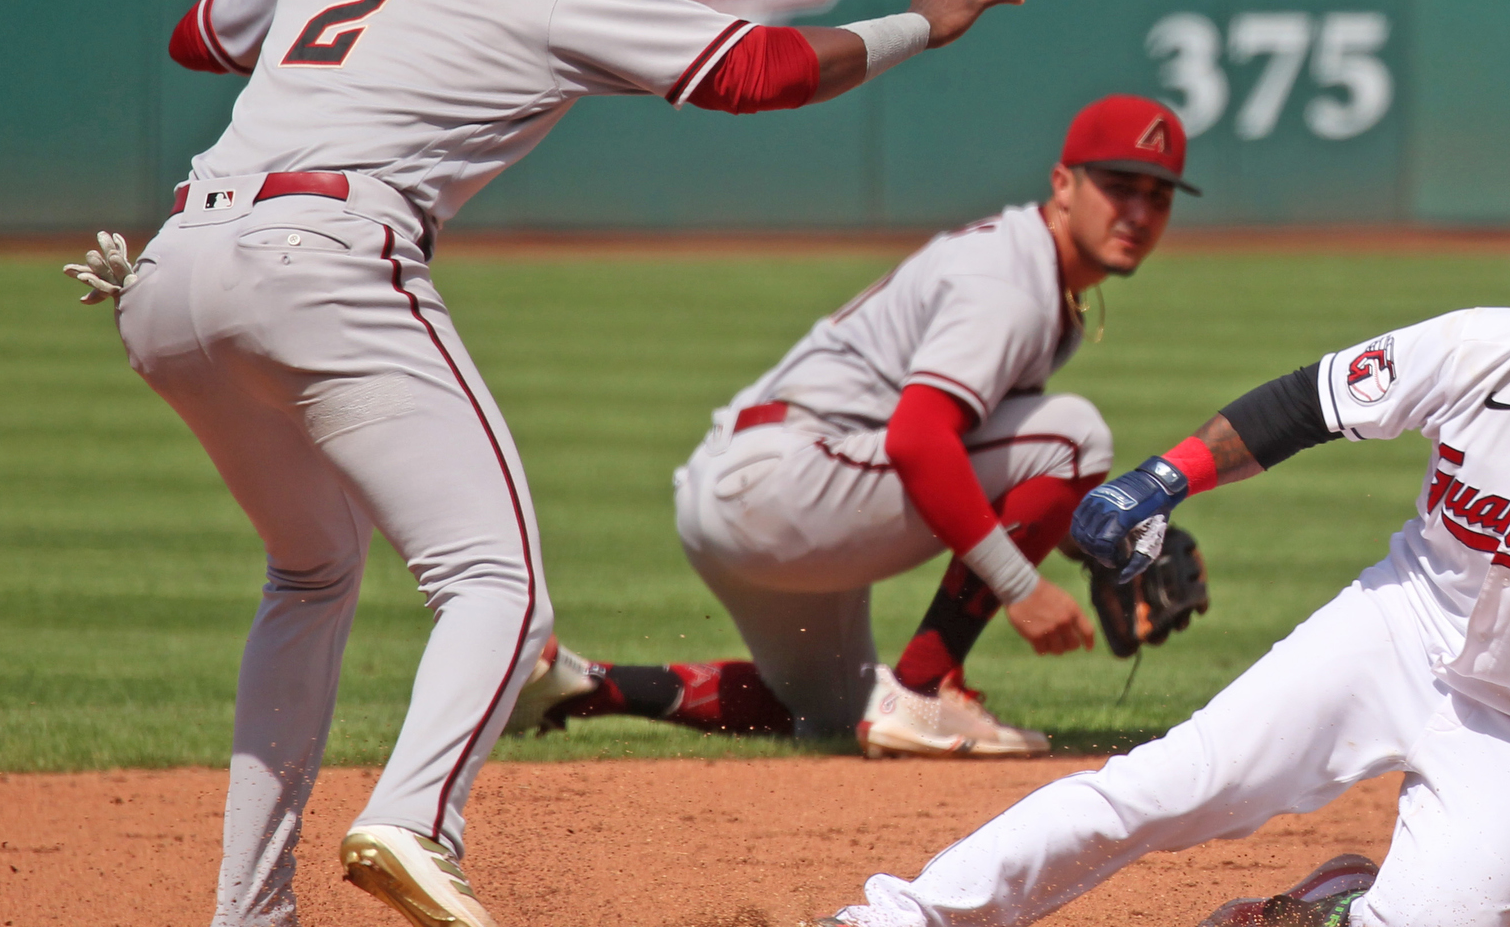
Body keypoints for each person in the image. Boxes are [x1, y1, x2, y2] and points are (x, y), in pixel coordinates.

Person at [63, 0, 1023, 927]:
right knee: (499, 593)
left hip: (169, 267)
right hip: (323, 256)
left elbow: (199, 34)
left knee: (310, 570)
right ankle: (415, 825)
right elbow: (760, 73)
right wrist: (918, 23)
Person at [799, 182, 1510, 927]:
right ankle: (890, 922)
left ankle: (1311, 910)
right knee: (1164, 784)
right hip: (1391, 629)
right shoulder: (1484, 351)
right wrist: (1154, 481)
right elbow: (1305, 403)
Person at [509, 95, 1196, 757]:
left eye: (1158, 198)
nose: (1137, 212)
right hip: (791, 477)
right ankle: (926, 690)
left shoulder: (1026, 262)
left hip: (745, 487)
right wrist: (1022, 586)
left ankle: (580, 686)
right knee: (1075, 436)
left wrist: (1096, 542)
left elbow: (972, 458)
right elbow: (919, 440)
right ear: (1064, 184)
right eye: (1119, 187)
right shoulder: (1012, 285)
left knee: (831, 711)